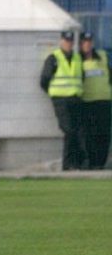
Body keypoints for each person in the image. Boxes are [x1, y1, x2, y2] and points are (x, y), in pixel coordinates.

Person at [40, 30, 84, 170]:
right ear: (61, 41)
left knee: (76, 131)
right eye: (66, 41)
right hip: (61, 100)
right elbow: (44, 80)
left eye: (71, 41)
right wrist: (53, 93)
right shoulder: (54, 58)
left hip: (75, 99)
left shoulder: (77, 57)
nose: (68, 43)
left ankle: (74, 163)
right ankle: (67, 164)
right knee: (69, 130)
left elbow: (81, 77)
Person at [78, 31, 111, 169]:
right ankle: (92, 162)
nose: (87, 44)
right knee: (90, 135)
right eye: (84, 42)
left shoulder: (102, 56)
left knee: (104, 134)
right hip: (87, 102)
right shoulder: (77, 60)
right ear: (80, 44)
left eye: (89, 42)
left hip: (104, 101)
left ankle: (100, 163)